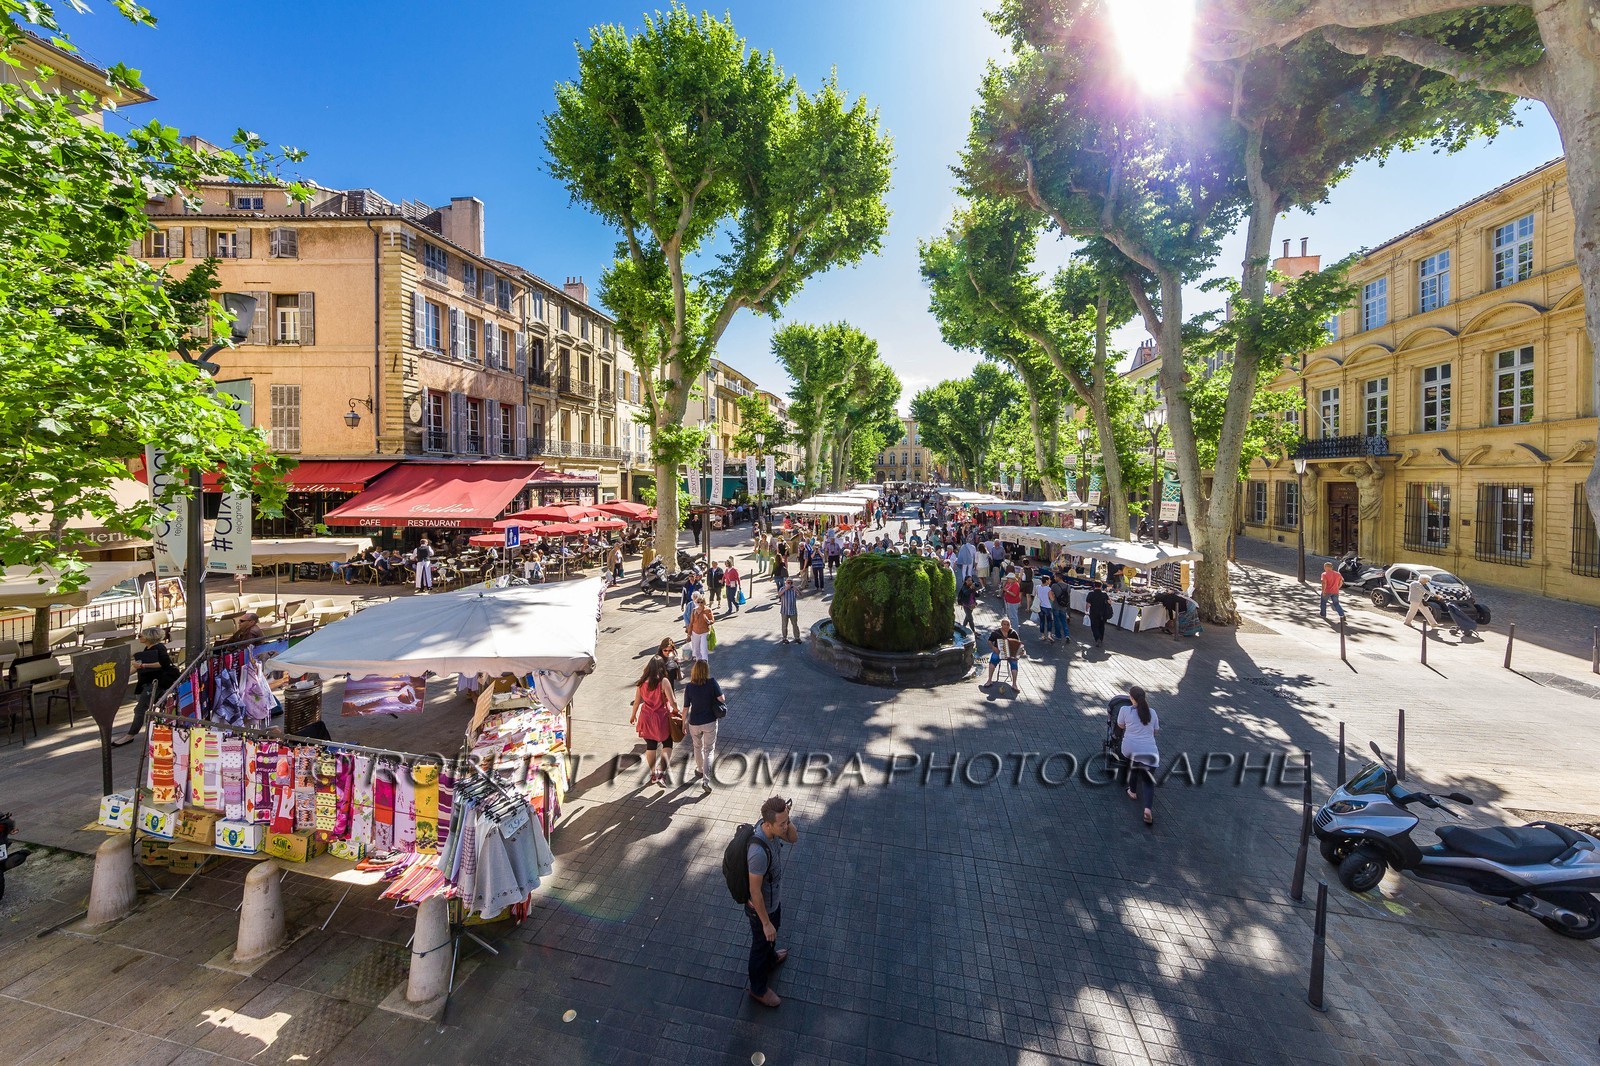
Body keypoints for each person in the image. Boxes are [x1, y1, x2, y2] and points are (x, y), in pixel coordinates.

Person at [744, 795, 798, 1008]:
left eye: (787, 821)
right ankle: (758, 989)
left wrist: (786, 817)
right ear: (767, 824)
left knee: (774, 931)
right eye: (781, 823)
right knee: (760, 944)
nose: (785, 827)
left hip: (773, 900)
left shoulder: (775, 830)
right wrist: (765, 922)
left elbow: (793, 838)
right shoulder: (758, 852)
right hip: (760, 909)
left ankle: (771, 957)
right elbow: (754, 892)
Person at [112, 628, 179, 746]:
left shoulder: (159, 648)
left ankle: (130, 735)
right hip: (148, 682)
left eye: (140, 636)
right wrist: (122, 676)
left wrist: (143, 665)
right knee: (152, 706)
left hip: (156, 683)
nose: (139, 638)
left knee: (140, 709)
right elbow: (138, 665)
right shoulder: (147, 648)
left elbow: (163, 664)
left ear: (148, 637)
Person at [629, 657, 680, 787]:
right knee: (667, 743)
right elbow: (673, 701)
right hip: (661, 717)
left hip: (646, 717)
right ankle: (661, 772)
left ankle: (653, 773)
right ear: (662, 667)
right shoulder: (663, 681)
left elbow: (636, 701)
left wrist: (633, 715)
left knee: (651, 745)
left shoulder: (641, 682)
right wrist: (677, 709)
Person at [1118, 686, 1161, 826]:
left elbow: (1120, 726)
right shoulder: (1152, 713)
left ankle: (1132, 791)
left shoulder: (1125, 710)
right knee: (1148, 781)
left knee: (1133, 765)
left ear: (1131, 697)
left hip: (1130, 748)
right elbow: (1155, 732)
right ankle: (1148, 809)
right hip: (1149, 751)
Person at [681, 659, 725, 795]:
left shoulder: (689, 686)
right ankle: (706, 781)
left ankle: (699, 769)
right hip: (709, 721)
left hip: (694, 722)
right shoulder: (712, 682)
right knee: (709, 750)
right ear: (706, 671)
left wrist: (683, 723)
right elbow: (722, 699)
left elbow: (685, 707)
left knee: (697, 747)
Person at [984, 617, 1021, 687]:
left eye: (1008, 625)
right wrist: (993, 647)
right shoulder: (996, 633)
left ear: (1010, 625)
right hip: (998, 652)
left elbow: (1019, 644)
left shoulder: (1013, 633)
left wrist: (1019, 652)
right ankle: (989, 680)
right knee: (993, 659)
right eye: (1004, 624)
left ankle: (1014, 684)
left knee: (1014, 663)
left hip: (1011, 654)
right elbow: (989, 641)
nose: (1006, 626)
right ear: (1001, 624)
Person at [687, 593, 714, 661]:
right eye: (698, 602)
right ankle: (698, 663)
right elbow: (691, 623)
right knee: (696, 650)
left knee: (704, 649)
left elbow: (712, 620)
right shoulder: (694, 610)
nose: (700, 603)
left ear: (704, 602)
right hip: (695, 632)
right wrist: (689, 635)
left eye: (701, 602)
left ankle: (705, 663)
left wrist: (708, 621)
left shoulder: (708, 610)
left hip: (704, 632)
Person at [1086, 581, 1113, 646]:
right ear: (1101, 586)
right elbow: (1109, 602)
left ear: (1094, 586)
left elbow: (1088, 604)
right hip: (1103, 613)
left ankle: (1097, 637)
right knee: (1101, 626)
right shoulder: (1104, 594)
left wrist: (1086, 610)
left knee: (1094, 626)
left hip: (1094, 612)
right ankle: (1101, 638)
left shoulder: (1091, 594)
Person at [1035, 575, 1055, 644]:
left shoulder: (1038, 587)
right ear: (1046, 581)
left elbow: (1036, 595)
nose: (1050, 581)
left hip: (1040, 606)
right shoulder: (1048, 589)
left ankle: (1043, 635)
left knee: (1042, 621)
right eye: (1049, 580)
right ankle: (1049, 634)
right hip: (1047, 607)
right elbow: (1052, 599)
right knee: (1049, 621)